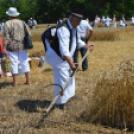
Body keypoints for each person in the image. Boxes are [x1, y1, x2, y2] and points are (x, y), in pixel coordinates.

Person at [45, 9, 94, 107]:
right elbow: (64, 50)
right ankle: (61, 103)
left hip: (64, 56)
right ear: (72, 18)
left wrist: (86, 46)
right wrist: (71, 63)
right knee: (63, 78)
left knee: (71, 75)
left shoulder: (73, 27)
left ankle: (70, 95)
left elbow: (77, 41)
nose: (79, 24)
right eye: (78, 21)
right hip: (56, 56)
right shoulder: (63, 29)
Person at [2, 7, 31, 86]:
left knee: (14, 63)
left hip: (11, 47)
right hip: (22, 46)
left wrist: (4, 47)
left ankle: (15, 82)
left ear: (9, 15)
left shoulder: (7, 24)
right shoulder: (23, 22)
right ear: (16, 15)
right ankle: (28, 81)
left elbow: (6, 37)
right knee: (25, 62)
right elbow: (29, 34)